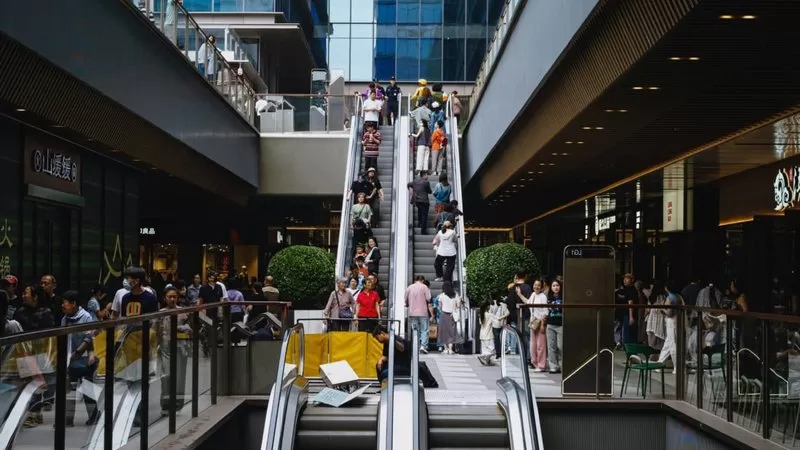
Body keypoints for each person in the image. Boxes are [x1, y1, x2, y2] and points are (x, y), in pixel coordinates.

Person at [61, 290, 99, 426]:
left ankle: (94, 416)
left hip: (84, 359)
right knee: (68, 391)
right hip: (69, 361)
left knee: (88, 389)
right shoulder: (64, 319)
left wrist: (78, 352)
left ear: (74, 304)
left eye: (65, 303)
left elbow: (89, 337)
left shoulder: (86, 317)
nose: (63, 306)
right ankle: (67, 419)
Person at [157, 286, 191, 416]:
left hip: (180, 347)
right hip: (165, 347)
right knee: (166, 376)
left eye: (174, 297)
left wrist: (183, 328)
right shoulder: (161, 313)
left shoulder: (184, 312)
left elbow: (191, 327)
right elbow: (157, 331)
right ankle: (166, 404)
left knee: (179, 376)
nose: (172, 299)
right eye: (169, 297)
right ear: (165, 298)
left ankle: (177, 404)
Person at [405, 275, 433, 353]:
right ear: (423, 280)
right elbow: (428, 298)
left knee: (415, 329)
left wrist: (408, 304)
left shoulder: (409, 287)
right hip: (423, 312)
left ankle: (416, 345)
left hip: (412, 312)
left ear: (415, 280)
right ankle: (423, 346)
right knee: (424, 329)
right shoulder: (424, 287)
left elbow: (405, 300)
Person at [437, 281, 462, 354]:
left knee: (444, 332)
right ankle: (451, 349)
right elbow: (458, 306)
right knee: (452, 331)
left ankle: (445, 348)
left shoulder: (441, 296)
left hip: (444, 315)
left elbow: (440, 306)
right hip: (452, 315)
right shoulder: (455, 295)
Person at [546, 279, 563, 374]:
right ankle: (553, 366)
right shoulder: (548, 298)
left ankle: (561, 365)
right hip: (550, 324)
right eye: (553, 286)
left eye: (557, 285)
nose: (556, 287)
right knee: (551, 346)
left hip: (561, 324)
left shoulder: (564, 297)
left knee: (560, 346)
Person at [477, 301, 496, 366]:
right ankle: (482, 356)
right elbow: (496, 321)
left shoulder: (481, 315)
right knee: (492, 350)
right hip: (489, 334)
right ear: (488, 306)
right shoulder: (490, 315)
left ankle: (486, 361)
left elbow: (480, 323)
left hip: (482, 334)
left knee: (485, 349)